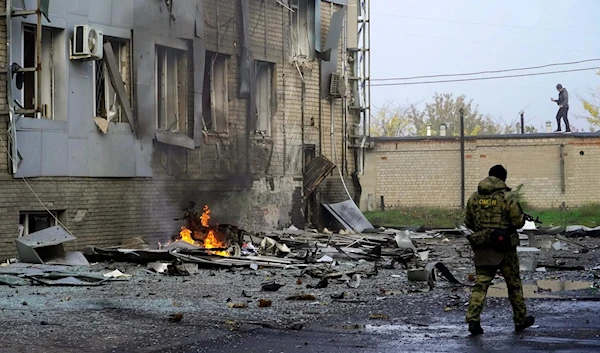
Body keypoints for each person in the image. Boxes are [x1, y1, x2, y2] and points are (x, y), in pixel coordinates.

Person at [464, 165, 535, 336]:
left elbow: (468, 223)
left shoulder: (474, 198)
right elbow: (518, 223)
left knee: (481, 285)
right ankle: (520, 320)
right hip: (505, 248)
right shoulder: (508, 197)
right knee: (514, 286)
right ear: (503, 178)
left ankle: (473, 320)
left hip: (483, 247)